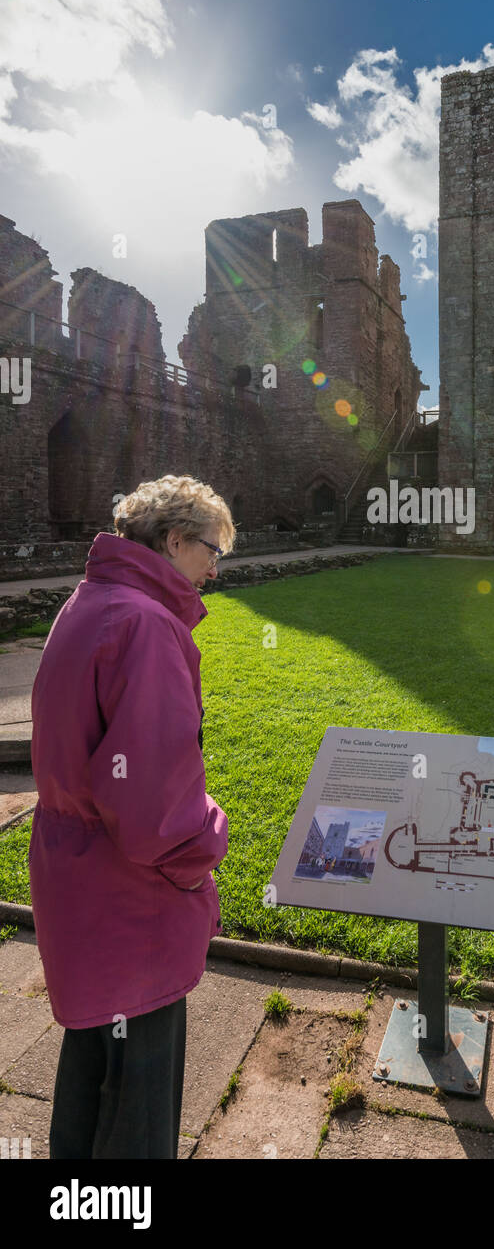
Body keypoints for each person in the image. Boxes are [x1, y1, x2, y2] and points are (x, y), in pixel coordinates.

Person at [29, 474, 235, 1159]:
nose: (215, 566)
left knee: (91, 1065)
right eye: (211, 548)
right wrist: (210, 837)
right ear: (173, 540)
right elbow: (157, 816)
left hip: (76, 883)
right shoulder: (145, 625)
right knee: (141, 1104)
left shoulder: (89, 601)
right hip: (131, 902)